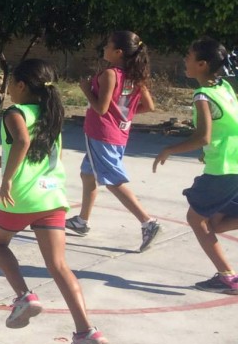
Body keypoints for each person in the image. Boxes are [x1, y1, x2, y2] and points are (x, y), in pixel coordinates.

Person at [0, 58, 106, 344]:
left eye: (11, 83)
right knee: (59, 265)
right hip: (51, 196)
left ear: (21, 85)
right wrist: (5, 157)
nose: (9, 89)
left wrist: (8, 178)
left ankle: (24, 297)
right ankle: (86, 332)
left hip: (22, 197)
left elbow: (23, 140)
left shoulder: (14, 112)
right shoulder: (51, 113)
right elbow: (43, 150)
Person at [152, 38, 238, 295]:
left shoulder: (202, 94)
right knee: (215, 223)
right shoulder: (224, 86)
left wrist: (169, 149)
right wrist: (207, 151)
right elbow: (228, 125)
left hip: (223, 169)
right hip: (233, 163)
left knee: (195, 218)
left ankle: (227, 277)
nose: (184, 60)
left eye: (188, 56)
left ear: (202, 64)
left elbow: (203, 136)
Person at [66, 31, 160, 250]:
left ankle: (148, 222)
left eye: (108, 45)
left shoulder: (110, 74)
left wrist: (86, 90)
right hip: (118, 134)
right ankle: (82, 221)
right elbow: (149, 106)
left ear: (118, 52)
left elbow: (101, 108)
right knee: (87, 174)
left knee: (112, 180)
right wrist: (123, 114)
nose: (104, 48)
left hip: (102, 134)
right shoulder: (135, 76)